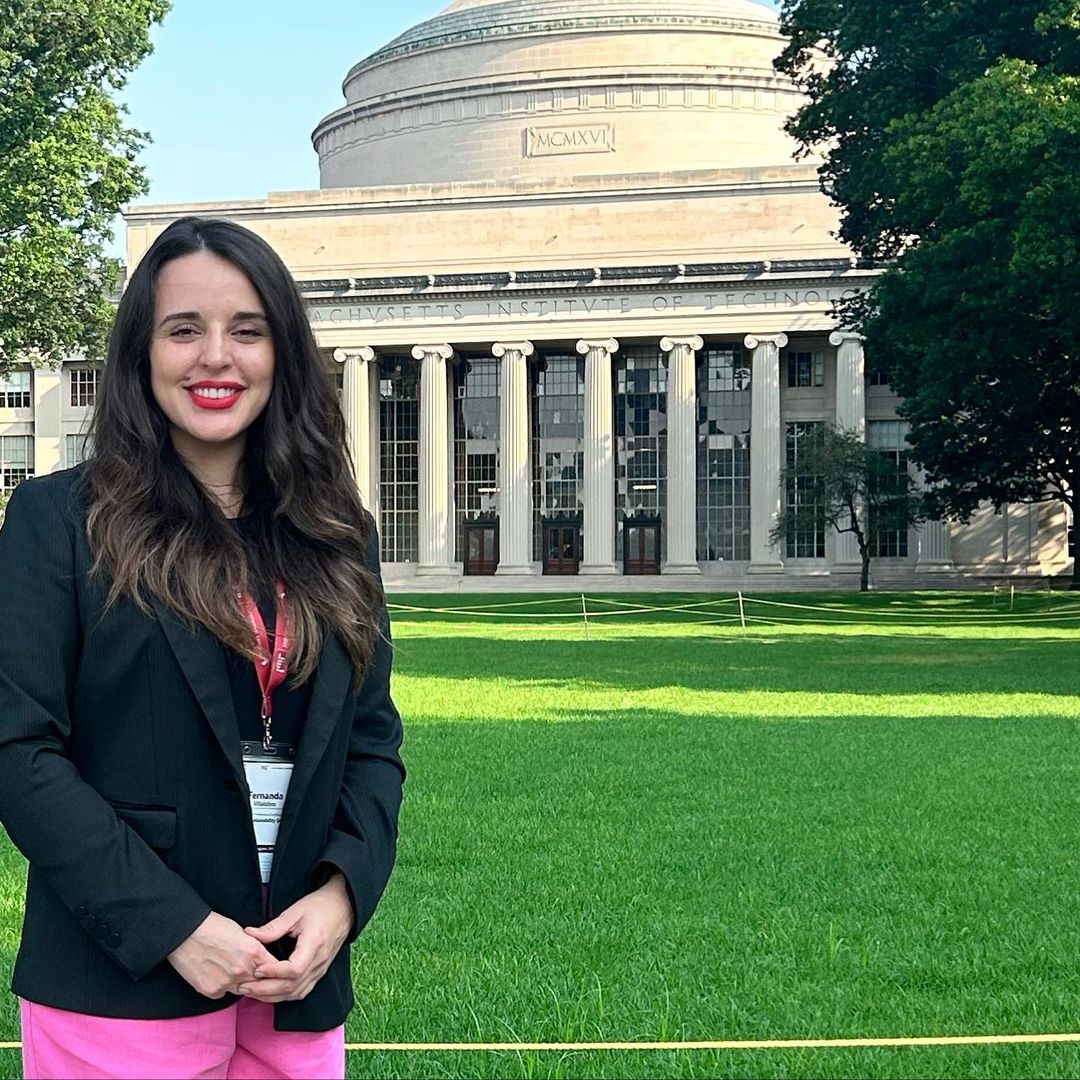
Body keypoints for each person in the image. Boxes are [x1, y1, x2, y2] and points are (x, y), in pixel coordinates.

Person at [0, 216, 406, 1079]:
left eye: (247, 331)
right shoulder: (56, 522)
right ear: (142, 355)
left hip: (295, 989)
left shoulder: (339, 536)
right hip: (120, 989)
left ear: (282, 356)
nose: (215, 357)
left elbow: (372, 744)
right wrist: (176, 929)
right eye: (184, 330)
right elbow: (19, 752)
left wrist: (340, 899)